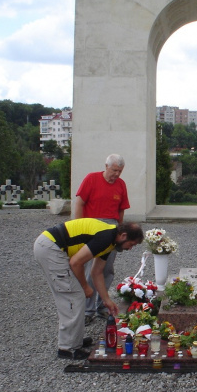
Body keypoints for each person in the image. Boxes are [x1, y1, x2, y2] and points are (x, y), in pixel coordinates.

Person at [34, 219, 144, 359]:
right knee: (72, 296)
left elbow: (96, 272)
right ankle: (67, 348)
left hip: (50, 246)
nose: (130, 249)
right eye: (131, 244)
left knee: (75, 295)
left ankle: (75, 341)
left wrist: (106, 300)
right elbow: (76, 262)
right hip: (50, 248)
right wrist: (85, 287)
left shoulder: (110, 242)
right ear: (123, 235)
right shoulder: (105, 238)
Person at [74, 154, 131, 324]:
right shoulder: (91, 179)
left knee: (106, 269)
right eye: (114, 170)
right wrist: (77, 228)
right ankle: (87, 310)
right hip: (90, 226)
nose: (117, 174)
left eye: (119, 171)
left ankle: (102, 306)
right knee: (89, 269)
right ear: (106, 166)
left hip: (112, 227)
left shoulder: (121, 185)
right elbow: (79, 203)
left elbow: (121, 210)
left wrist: (119, 230)